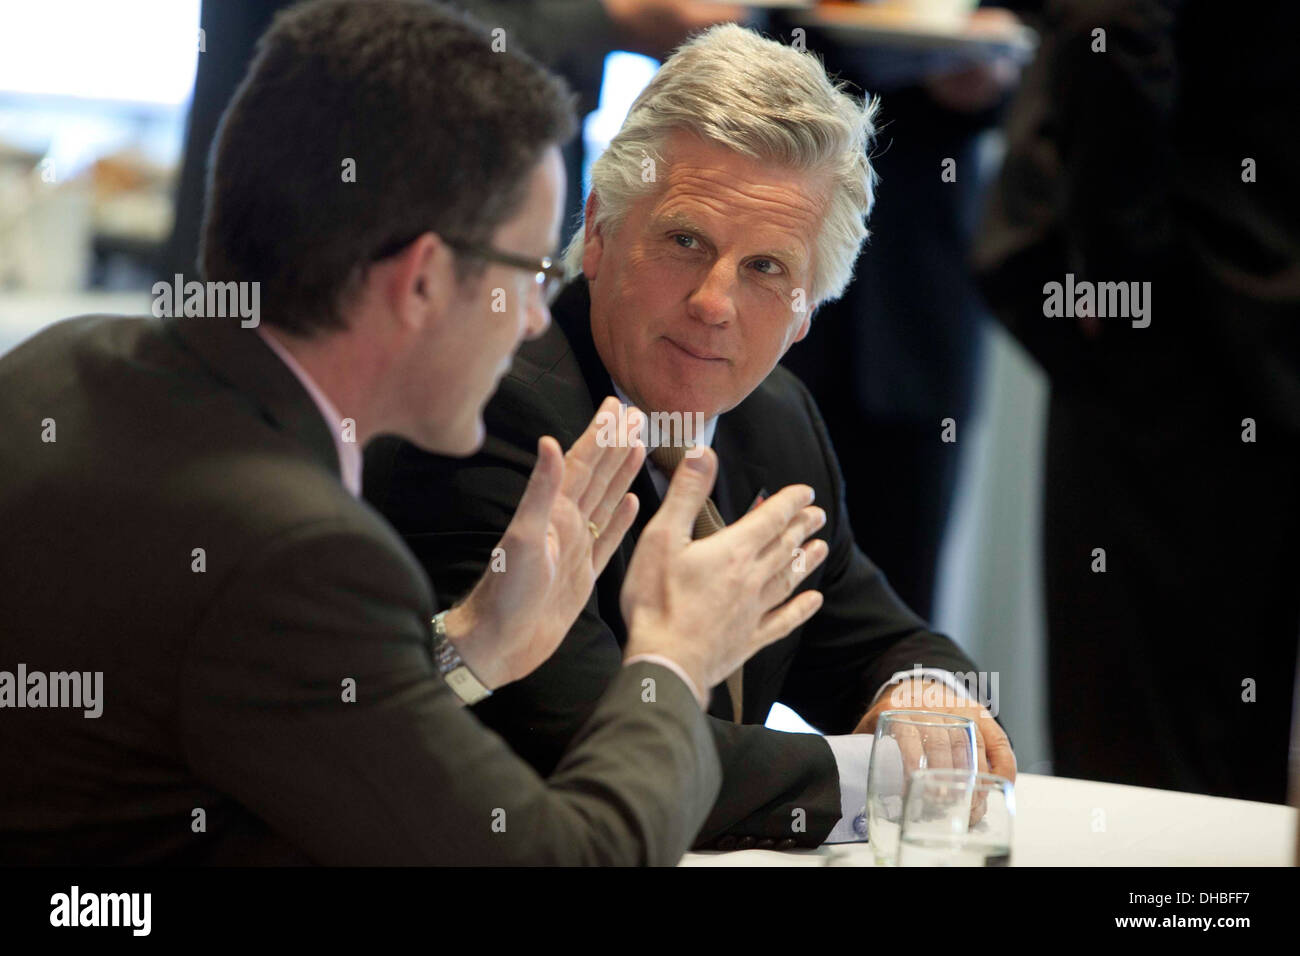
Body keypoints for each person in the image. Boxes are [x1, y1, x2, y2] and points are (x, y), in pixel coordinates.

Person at [0, 0, 828, 864]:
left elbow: (266, 718)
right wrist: (671, 659)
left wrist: (471, 643)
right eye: (530, 271)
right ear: (424, 280)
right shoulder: (298, 551)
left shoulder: (61, 362)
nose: (537, 323)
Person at [365, 24, 1017, 851]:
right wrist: (889, 778)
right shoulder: (496, 412)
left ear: (807, 311)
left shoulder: (775, 419)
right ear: (598, 231)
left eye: (766, 270)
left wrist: (929, 699)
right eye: (685, 242)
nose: (715, 303)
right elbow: (594, 742)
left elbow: (877, 637)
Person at [974, 0, 1300, 802]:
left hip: (1181, 331)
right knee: (1234, 730)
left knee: (1141, 751)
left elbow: (1111, 26)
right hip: (1261, 317)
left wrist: (1119, 274)